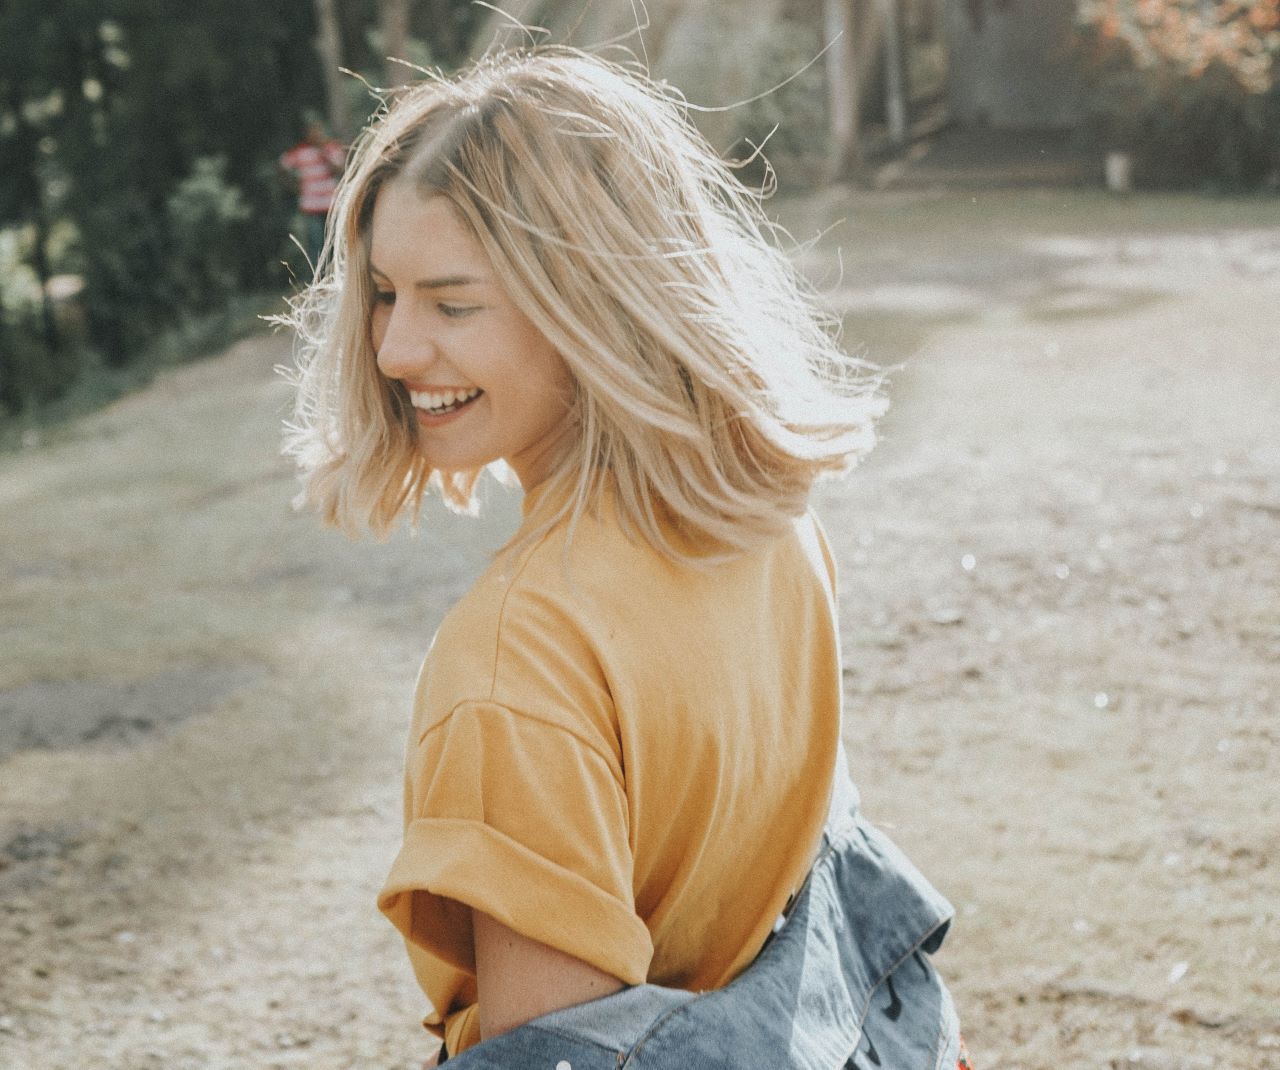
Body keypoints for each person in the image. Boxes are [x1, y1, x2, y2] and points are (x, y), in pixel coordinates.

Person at [284, 48, 973, 1070]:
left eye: (452, 302)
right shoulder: (766, 520)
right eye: (385, 293)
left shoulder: (518, 654)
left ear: (590, 302)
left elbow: (562, 1054)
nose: (392, 348)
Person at [278, 115, 346, 270]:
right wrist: (294, 186)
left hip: (331, 205)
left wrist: (323, 152)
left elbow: (340, 169)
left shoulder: (332, 148)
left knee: (335, 244)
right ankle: (318, 278)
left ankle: (336, 274)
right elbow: (282, 167)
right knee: (315, 246)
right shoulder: (300, 151)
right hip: (310, 206)